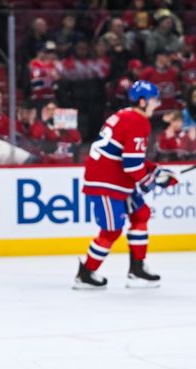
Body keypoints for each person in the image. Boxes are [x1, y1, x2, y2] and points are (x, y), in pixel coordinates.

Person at [75, 80, 178, 290]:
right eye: (153, 100)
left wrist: (156, 171)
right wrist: (151, 181)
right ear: (142, 101)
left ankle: (137, 269)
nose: (156, 104)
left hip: (115, 179)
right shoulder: (138, 121)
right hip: (106, 182)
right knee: (111, 231)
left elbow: (130, 158)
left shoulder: (125, 115)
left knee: (141, 214)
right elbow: (131, 166)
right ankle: (86, 273)